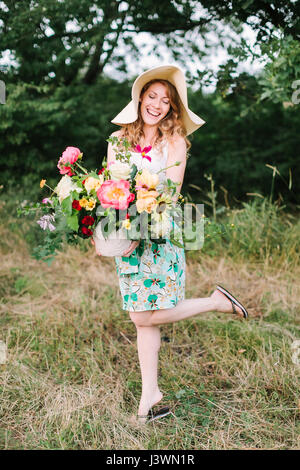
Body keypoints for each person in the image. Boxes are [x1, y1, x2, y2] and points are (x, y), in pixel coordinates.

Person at [93, 65, 249, 423]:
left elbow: (171, 192)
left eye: (166, 100)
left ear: (171, 107)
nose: (158, 104)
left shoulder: (174, 141)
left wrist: (138, 224)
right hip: (126, 237)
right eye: (152, 97)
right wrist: (109, 231)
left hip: (160, 232)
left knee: (140, 313)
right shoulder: (117, 141)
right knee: (143, 321)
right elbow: (108, 192)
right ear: (140, 99)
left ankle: (215, 302)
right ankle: (149, 399)